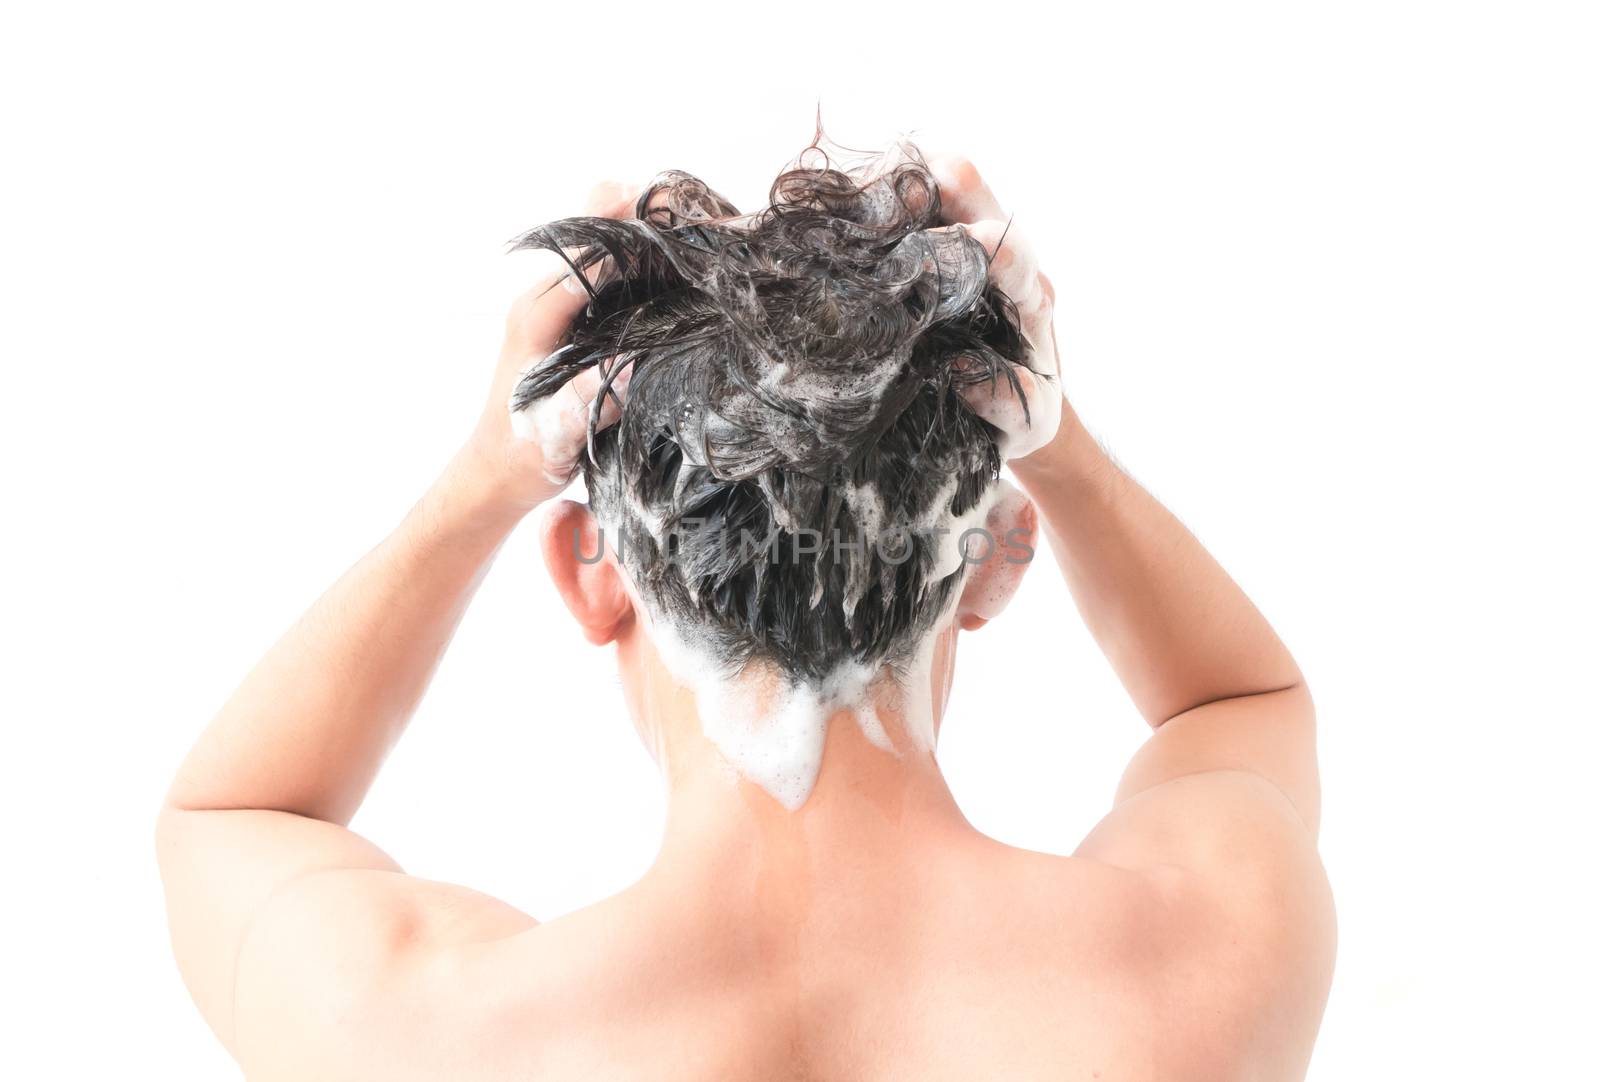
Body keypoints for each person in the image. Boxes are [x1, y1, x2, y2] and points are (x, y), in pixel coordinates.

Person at [157, 144, 1335, 1081]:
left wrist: (487, 475)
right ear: (995, 561)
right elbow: (1239, 697)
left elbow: (228, 813)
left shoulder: (429, 1032)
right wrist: (1055, 441)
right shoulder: (1198, 965)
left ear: (588, 569)